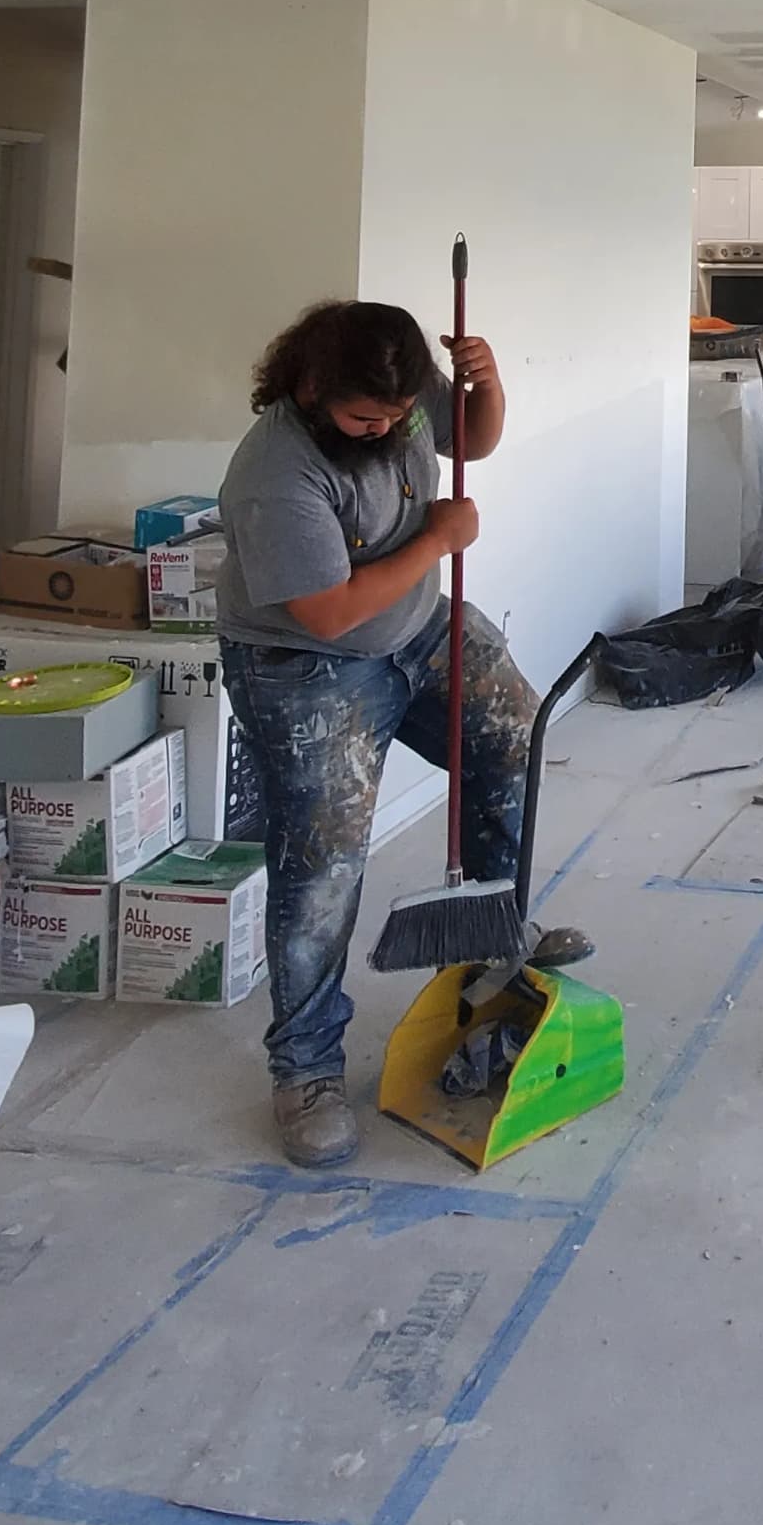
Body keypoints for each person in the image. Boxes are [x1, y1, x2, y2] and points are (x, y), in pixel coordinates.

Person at [220, 298, 589, 1169]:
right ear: (310, 388)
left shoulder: (397, 387)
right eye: (365, 418)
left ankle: (495, 935)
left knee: (513, 740)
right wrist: (438, 539)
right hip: (308, 667)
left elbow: (473, 437)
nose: (387, 429)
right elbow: (329, 613)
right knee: (322, 869)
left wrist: (486, 387)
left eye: (397, 415)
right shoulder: (275, 473)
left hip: (419, 631)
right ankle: (304, 1071)